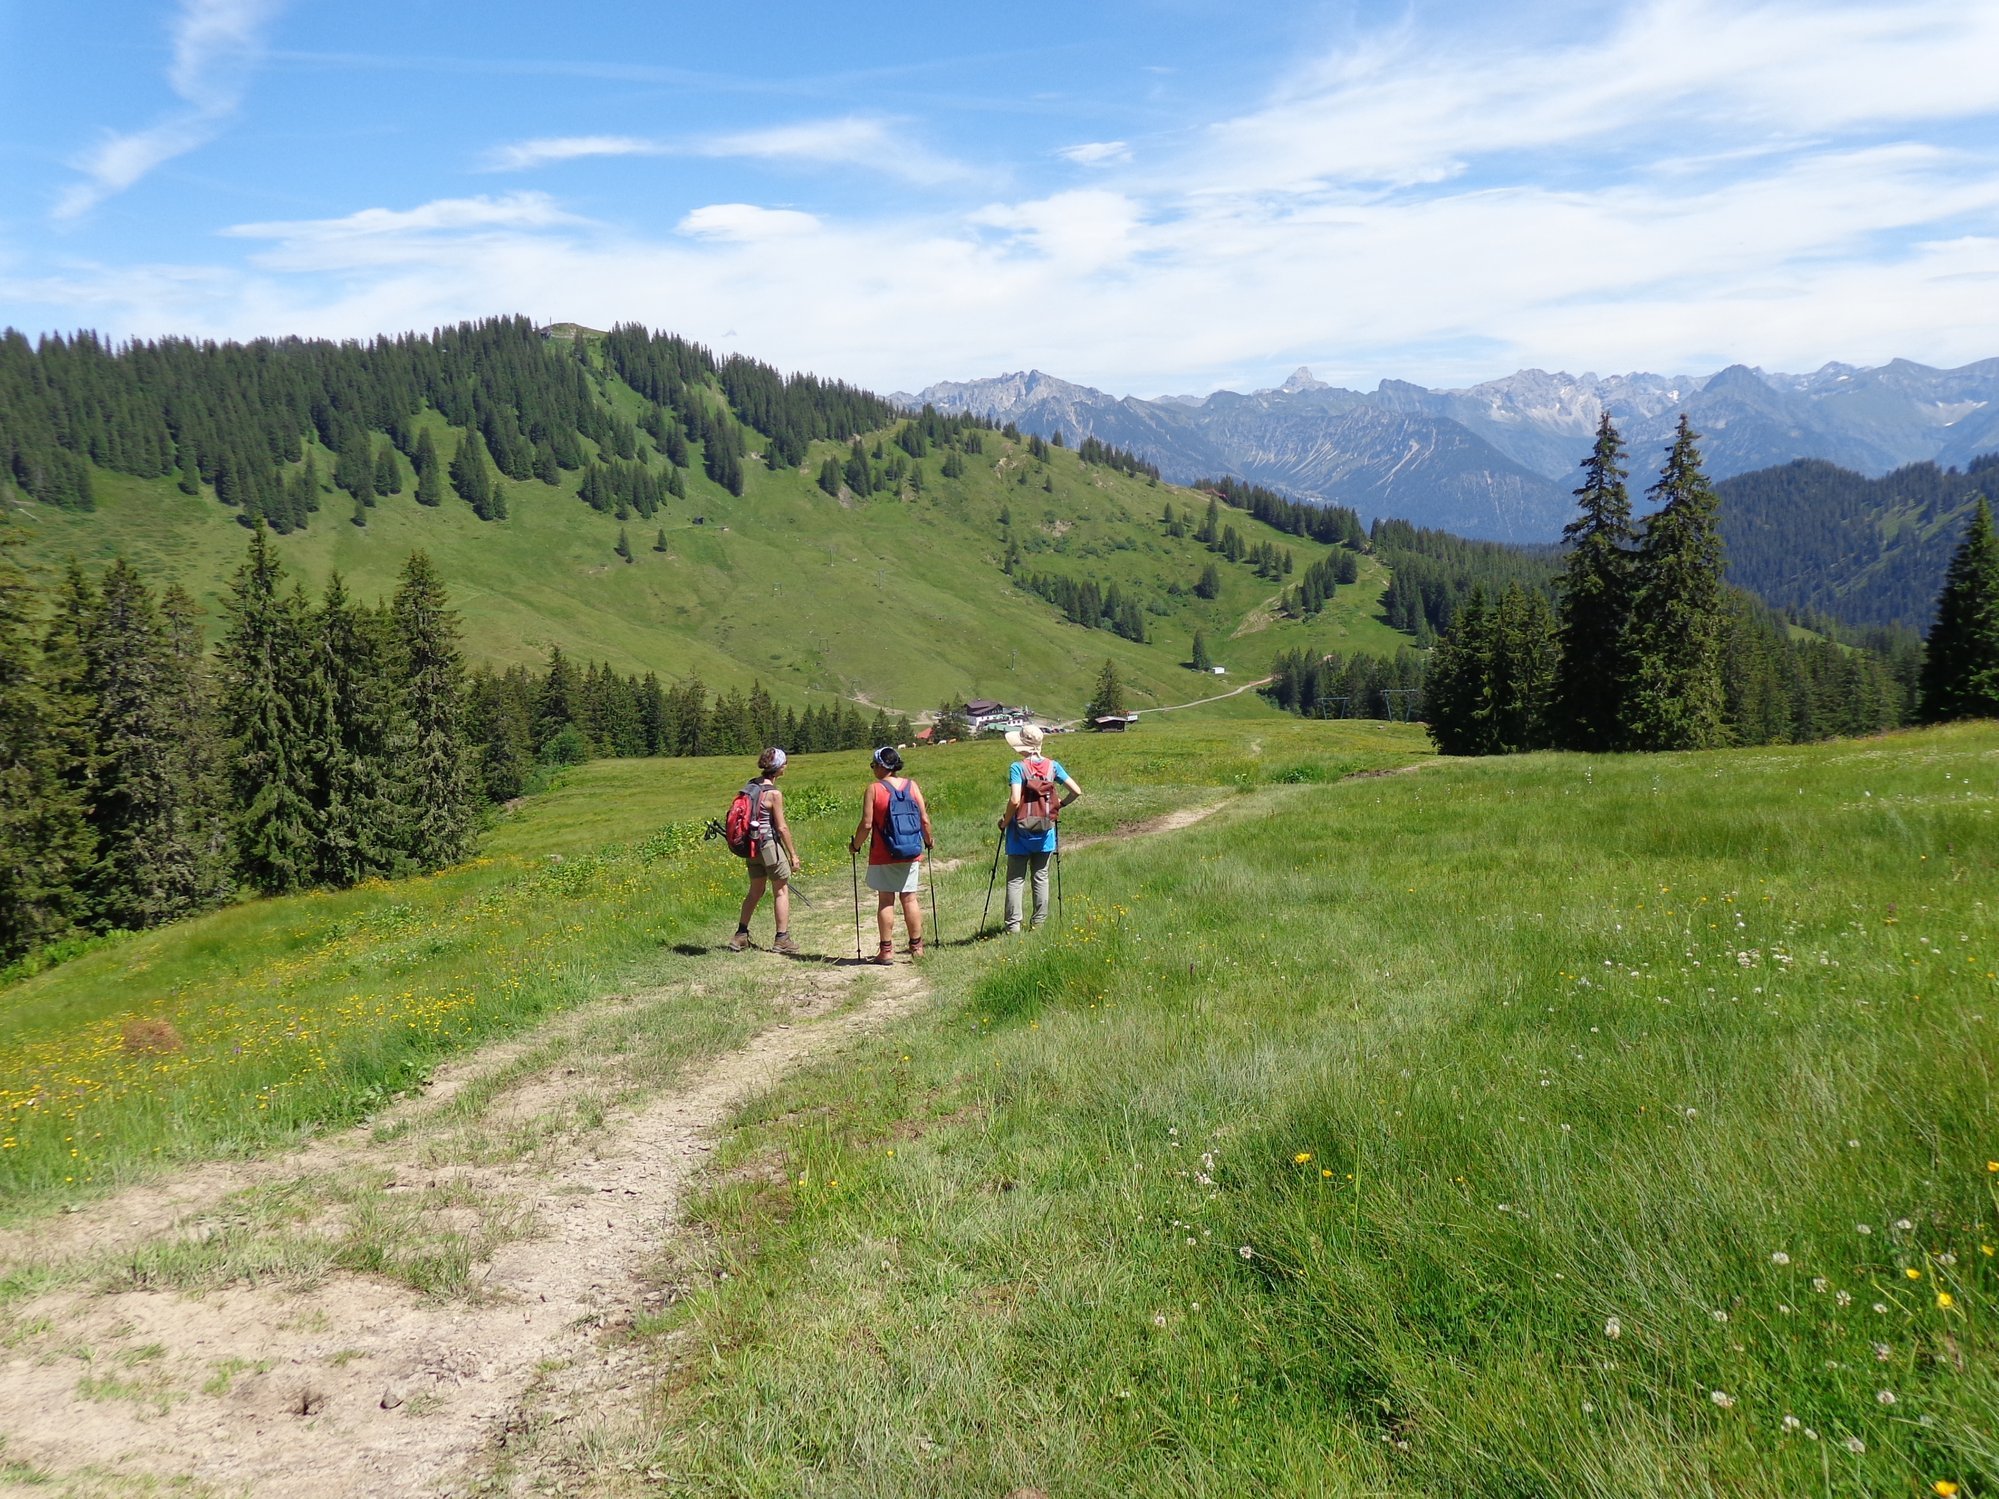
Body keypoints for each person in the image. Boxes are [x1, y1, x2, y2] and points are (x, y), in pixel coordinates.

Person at [849, 745, 934, 964]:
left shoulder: (874, 789)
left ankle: (886, 951)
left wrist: (855, 846)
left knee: (886, 900)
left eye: (873, 765)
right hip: (911, 850)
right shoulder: (912, 786)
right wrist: (928, 840)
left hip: (883, 852)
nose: (872, 770)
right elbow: (924, 819)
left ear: (880, 766)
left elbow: (867, 824)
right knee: (910, 898)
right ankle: (917, 947)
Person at [998, 723, 1081, 933]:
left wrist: (1005, 821)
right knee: (1041, 877)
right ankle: (1039, 924)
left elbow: (1015, 800)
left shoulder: (1018, 767)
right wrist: (1059, 805)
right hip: (1045, 831)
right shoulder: (1053, 767)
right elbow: (1076, 791)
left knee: (1016, 880)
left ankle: (1013, 927)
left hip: (1020, 832)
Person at [729, 748, 802, 954]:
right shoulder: (774, 794)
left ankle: (740, 935)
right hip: (769, 846)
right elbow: (781, 827)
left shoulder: (750, 786)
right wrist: (793, 855)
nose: (786, 766)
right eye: (785, 763)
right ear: (778, 767)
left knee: (755, 890)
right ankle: (782, 939)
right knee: (781, 890)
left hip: (750, 847)